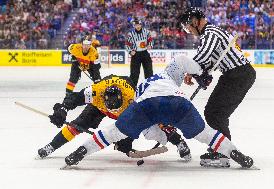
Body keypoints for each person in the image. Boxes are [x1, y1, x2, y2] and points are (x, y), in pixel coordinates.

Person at [64, 55, 254, 169]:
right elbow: (181, 60)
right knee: (206, 135)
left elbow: (149, 131)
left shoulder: (139, 90)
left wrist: (163, 135)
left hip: (147, 106)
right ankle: (235, 153)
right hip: (179, 104)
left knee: (112, 132)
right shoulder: (167, 74)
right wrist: (200, 74)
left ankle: (81, 151)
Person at [37, 75, 190, 160]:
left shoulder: (133, 99)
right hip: (99, 107)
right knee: (77, 125)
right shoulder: (95, 92)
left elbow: (150, 117)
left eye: (115, 108)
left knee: (150, 125)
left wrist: (126, 140)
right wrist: (62, 110)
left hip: (127, 112)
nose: (113, 111)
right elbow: (74, 98)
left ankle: (179, 142)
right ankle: (52, 145)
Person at [178, 7, 256, 167]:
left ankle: (222, 152)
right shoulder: (210, 33)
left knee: (215, 113)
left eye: (188, 27)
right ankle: (221, 148)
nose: (189, 31)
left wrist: (192, 72)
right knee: (214, 112)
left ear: (194, 21)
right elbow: (209, 60)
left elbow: (204, 55)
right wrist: (201, 73)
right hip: (234, 75)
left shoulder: (211, 33)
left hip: (238, 75)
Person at [125, 17, 153, 86]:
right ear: (134, 25)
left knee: (149, 71)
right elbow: (127, 44)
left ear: (141, 24)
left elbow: (150, 40)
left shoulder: (146, 32)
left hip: (145, 53)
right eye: (136, 25)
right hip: (136, 55)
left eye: (139, 25)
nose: (138, 26)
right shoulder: (130, 34)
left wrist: (150, 45)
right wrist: (130, 51)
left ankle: (149, 86)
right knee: (134, 73)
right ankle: (132, 87)